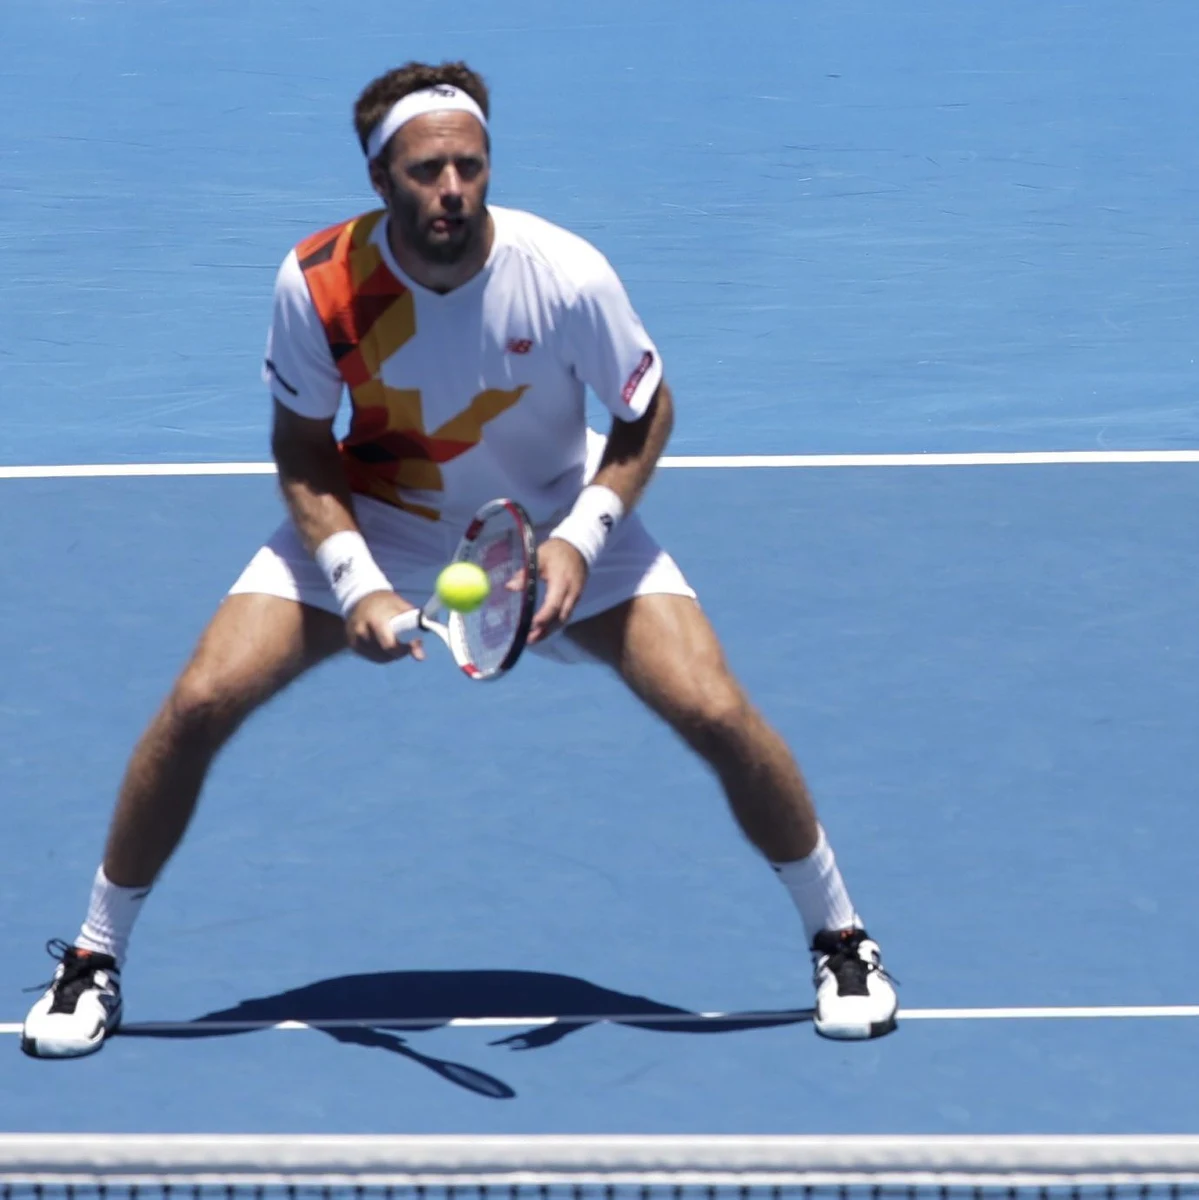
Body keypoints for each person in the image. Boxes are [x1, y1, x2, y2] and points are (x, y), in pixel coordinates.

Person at [21, 61, 898, 1059]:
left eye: (470, 167)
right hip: (380, 517)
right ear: (379, 178)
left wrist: (581, 538)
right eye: (427, 170)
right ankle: (93, 957)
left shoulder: (564, 273)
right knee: (197, 703)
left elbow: (645, 410)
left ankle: (841, 939)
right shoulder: (319, 281)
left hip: (555, 519)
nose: (452, 189)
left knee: (713, 709)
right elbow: (302, 448)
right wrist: (355, 583)